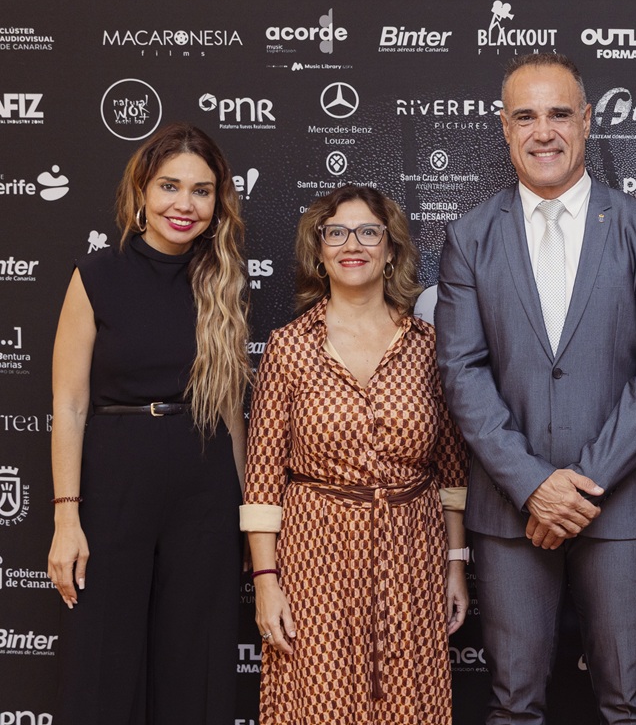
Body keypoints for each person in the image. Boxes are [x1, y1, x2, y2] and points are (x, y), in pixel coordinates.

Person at [436, 52, 636, 724]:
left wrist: (580, 485)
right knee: (513, 703)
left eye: (558, 114)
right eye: (526, 116)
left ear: (586, 121)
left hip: (619, 505)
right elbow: (461, 370)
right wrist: (533, 485)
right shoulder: (469, 237)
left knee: (627, 703)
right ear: (504, 127)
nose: (543, 132)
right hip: (510, 510)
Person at [47, 122, 251, 724]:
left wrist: (244, 512)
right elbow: (69, 404)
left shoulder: (222, 281)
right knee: (102, 663)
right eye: (169, 186)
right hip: (114, 488)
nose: (184, 204)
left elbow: (230, 411)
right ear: (141, 190)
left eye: (201, 191)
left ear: (217, 203)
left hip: (204, 491)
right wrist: (66, 518)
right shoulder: (96, 275)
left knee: (197, 664)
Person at [241, 184, 468, 724]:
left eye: (369, 232)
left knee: (408, 705)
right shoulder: (288, 346)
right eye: (336, 232)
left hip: (412, 554)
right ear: (318, 252)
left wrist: (455, 565)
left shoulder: (428, 346)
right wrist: (266, 581)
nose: (352, 244)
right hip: (315, 556)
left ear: (390, 251)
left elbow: (451, 471)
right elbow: (263, 477)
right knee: (321, 703)